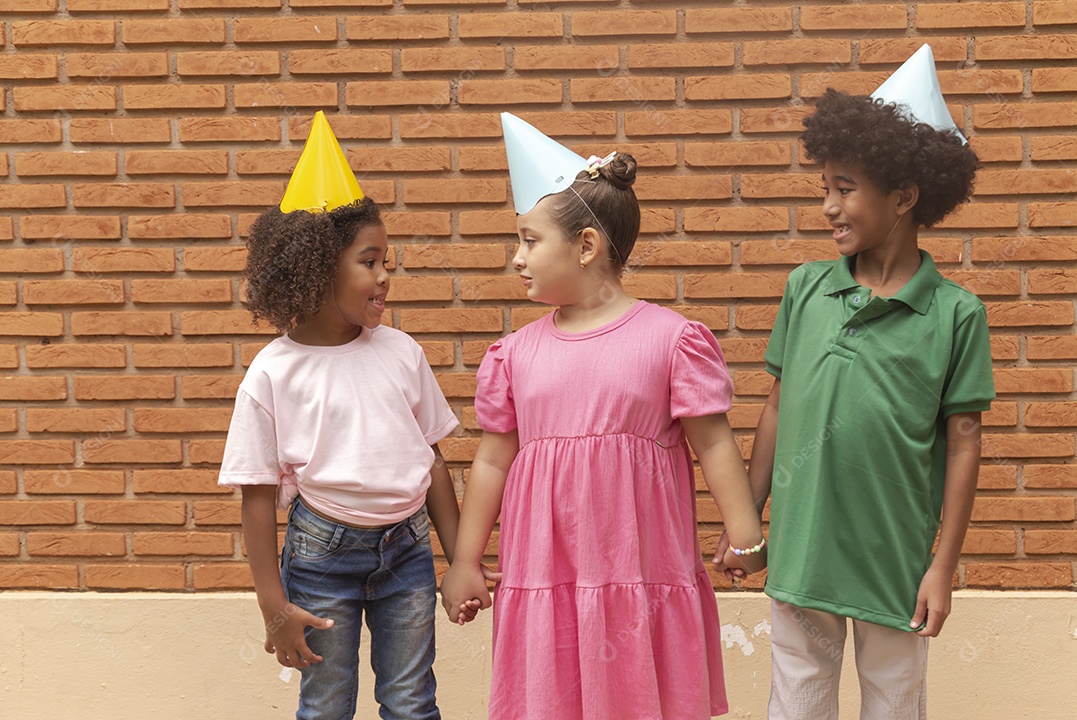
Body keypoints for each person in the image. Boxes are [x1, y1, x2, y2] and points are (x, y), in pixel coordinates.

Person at [440, 113, 766, 720]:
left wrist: (746, 533)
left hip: (639, 573)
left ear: (586, 246)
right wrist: (464, 560)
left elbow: (714, 444)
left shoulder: (672, 341)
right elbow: (491, 460)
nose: (517, 257)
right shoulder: (514, 355)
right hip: (545, 573)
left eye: (530, 240)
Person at [748, 46, 995, 719]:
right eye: (824, 187)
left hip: (896, 565)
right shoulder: (805, 289)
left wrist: (942, 568)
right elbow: (775, 406)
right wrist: (747, 515)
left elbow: (965, 442)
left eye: (845, 187)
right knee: (796, 703)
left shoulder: (955, 314)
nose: (829, 205)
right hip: (802, 554)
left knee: (894, 705)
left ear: (905, 196)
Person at [218, 111, 461, 720]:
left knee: (411, 701)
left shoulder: (401, 352)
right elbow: (255, 497)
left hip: (407, 551)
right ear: (319, 265)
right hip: (321, 554)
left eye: (387, 262)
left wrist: (461, 561)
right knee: (326, 704)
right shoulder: (274, 373)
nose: (385, 276)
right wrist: (273, 608)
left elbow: (432, 462)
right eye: (370, 261)